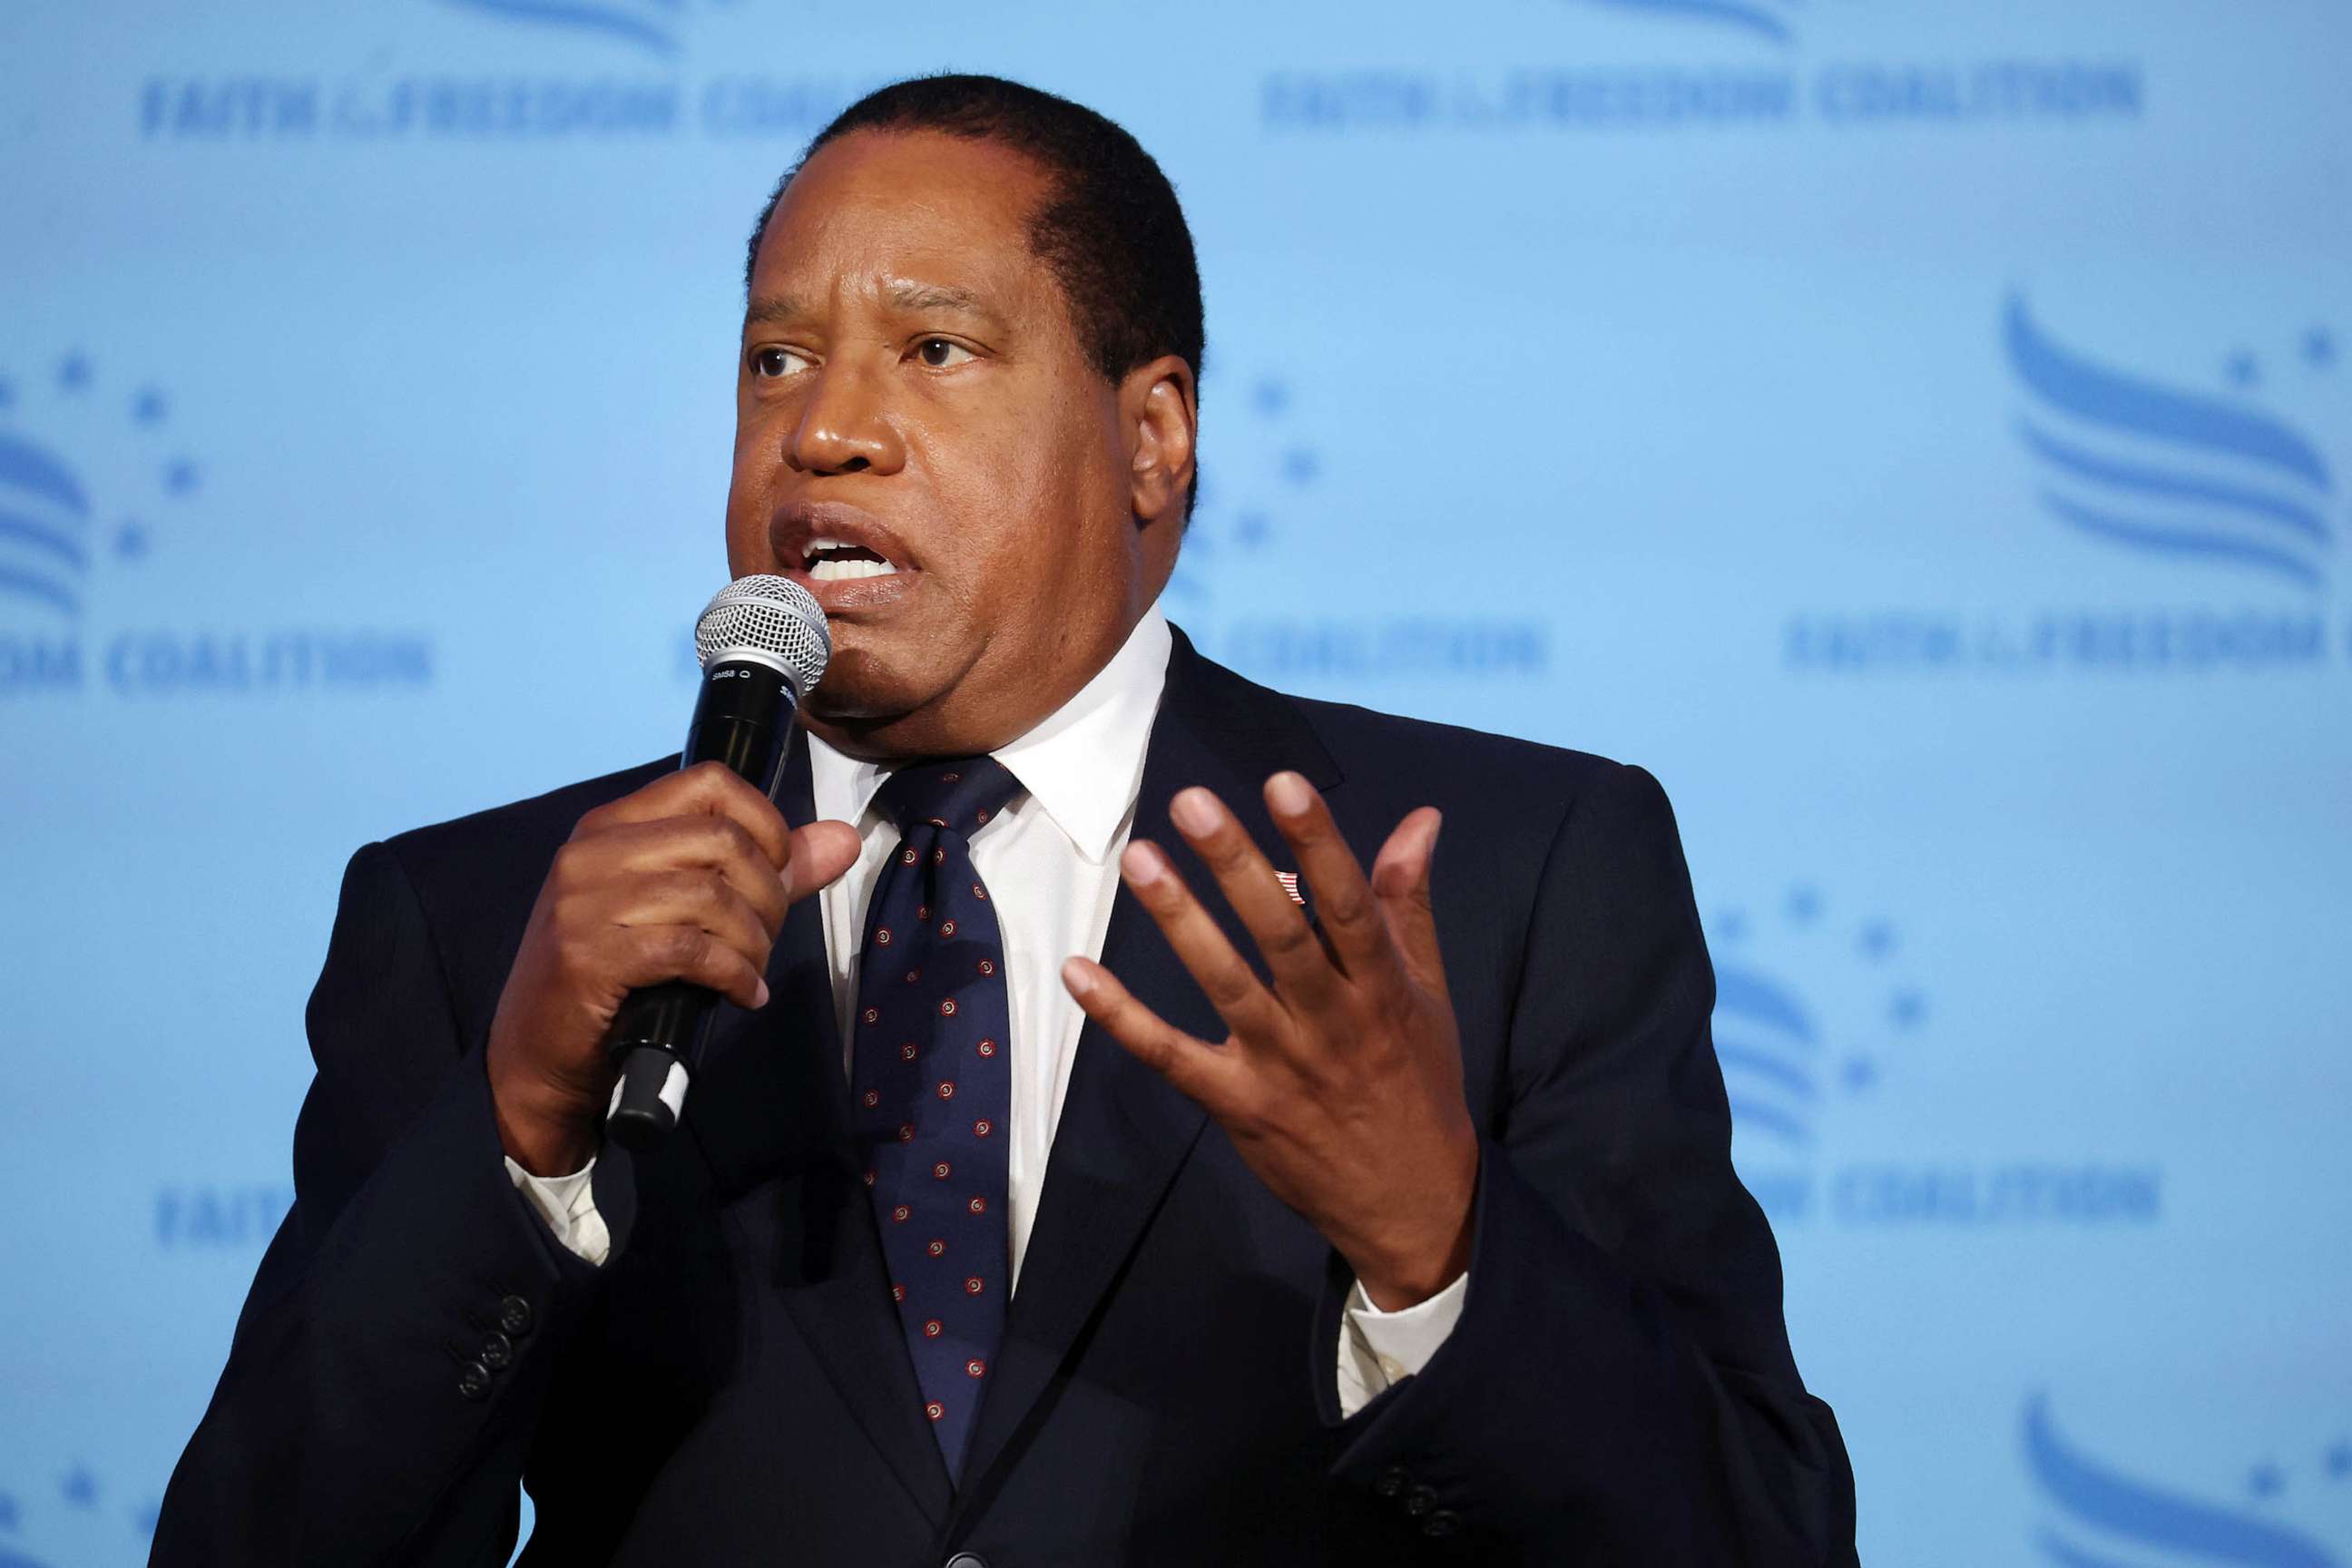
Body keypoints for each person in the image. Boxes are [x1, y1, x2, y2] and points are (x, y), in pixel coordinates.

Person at [152, 74, 1857, 1566]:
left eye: (934, 350)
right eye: (777, 358)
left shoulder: (1511, 878)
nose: (822, 429)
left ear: (1153, 439)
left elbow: (1756, 1541)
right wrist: (520, 1134)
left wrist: (1440, 1255)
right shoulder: (482, 923)